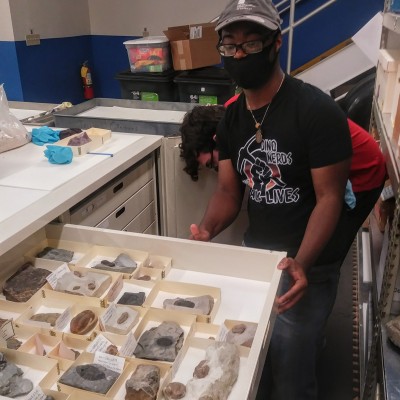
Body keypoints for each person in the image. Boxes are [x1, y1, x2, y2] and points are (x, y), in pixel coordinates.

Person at [187, 0, 373, 398]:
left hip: (309, 264)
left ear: (275, 44)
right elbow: (227, 190)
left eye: (251, 44)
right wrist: (206, 229)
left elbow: (329, 199)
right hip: (259, 257)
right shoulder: (233, 119)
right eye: (229, 45)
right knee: (254, 356)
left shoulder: (317, 111)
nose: (239, 54)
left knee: (292, 376)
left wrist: (301, 264)